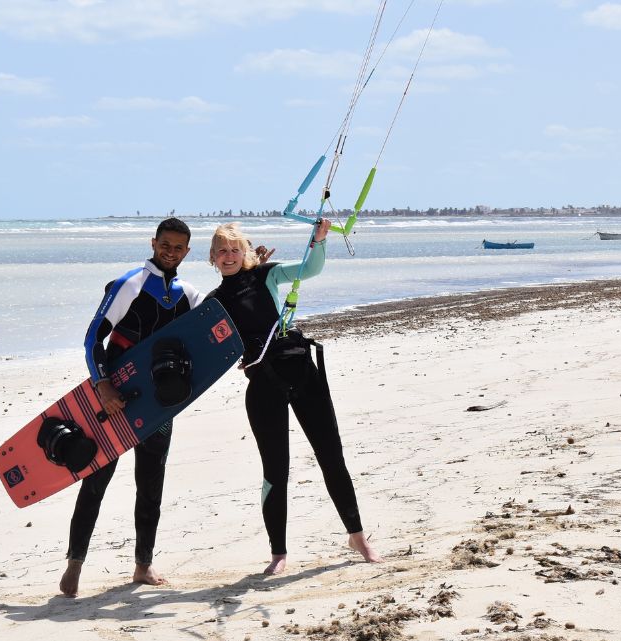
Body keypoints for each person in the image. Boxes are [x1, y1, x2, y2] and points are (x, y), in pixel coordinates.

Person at [207, 219, 381, 575]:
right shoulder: (213, 302)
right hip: (263, 385)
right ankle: (278, 553)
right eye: (221, 251)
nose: (228, 256)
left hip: (302, 372)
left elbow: (308, 268)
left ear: (245, 251)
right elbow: (204, 344)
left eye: (234, 249)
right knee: (275, 470)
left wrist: (318, 240)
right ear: (212, 257)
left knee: (331, 456)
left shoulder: (267, 275)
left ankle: (358, 536)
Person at [60, 216, 204, 597]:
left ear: (187, 252)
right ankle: (75, 564)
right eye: (165, 244)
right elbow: (93, 338)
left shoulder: (189, 294)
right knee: (96, 480)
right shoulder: (130, 284)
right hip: (113, 397)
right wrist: (102, 383)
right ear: (153, 242)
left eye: (178, 248)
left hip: (158, 404)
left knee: (151, 483)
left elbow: (215, 329)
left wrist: (252, 268)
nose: (170, 252)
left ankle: (143, 564)